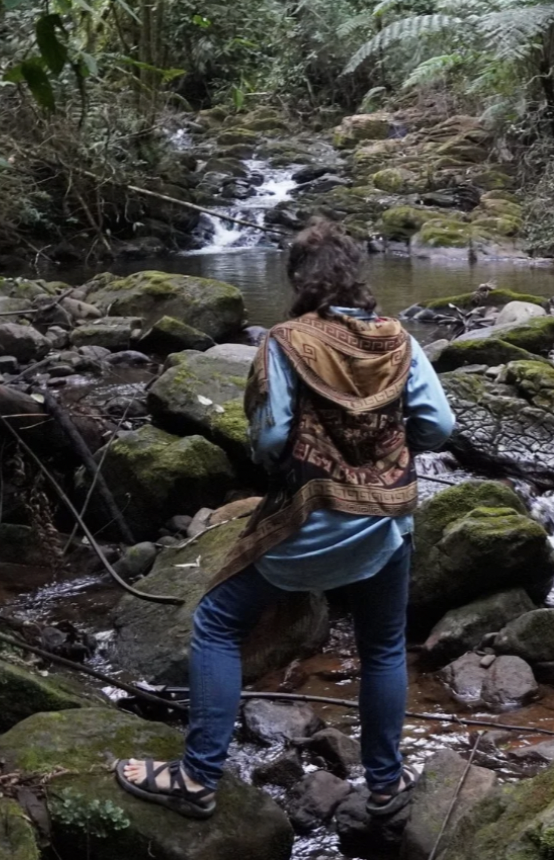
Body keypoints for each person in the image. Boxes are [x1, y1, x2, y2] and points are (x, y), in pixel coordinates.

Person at [115, 219, 455, 821]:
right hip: (385, 523)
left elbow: (271, 437)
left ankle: (197, 777)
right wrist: (386, 448)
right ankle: (384, 788)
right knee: (382, 649)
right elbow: (439, 428)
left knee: (218, 622)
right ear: (357, 273)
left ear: (299, 279)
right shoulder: (400, 340)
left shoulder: (285, 341)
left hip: (311, 518)